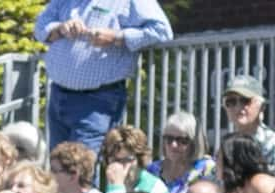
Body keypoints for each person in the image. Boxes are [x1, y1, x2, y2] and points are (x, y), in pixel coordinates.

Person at [36, 0, 173, 152]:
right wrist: (60, 28)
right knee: (59, 166)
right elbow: (40, 27)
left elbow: (162, 31)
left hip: (97, 101)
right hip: (58, 95)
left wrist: (117, 37)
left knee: (82, 168)